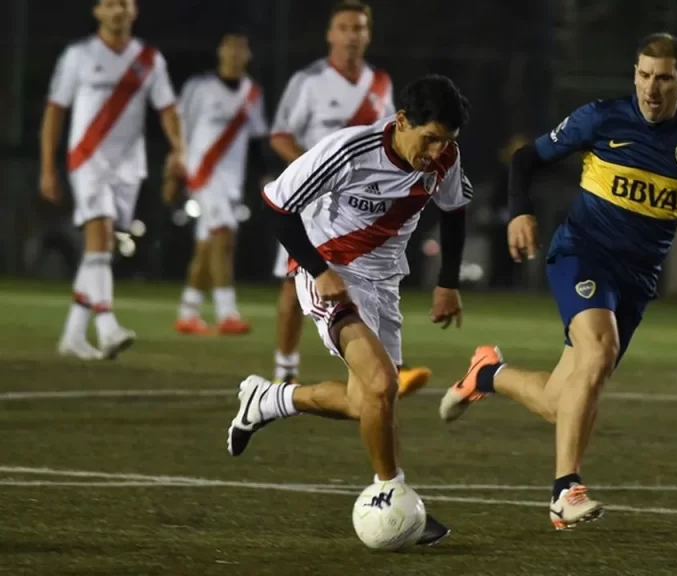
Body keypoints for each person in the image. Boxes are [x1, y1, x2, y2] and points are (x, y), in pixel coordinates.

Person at [439, 33, 677, 530]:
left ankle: (487, 375)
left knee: (561, 401)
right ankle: (565, 490)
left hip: (636, 278)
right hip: (582, 253)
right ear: (634, 74)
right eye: (644, 75)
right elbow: (525, 159)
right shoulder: (603, 117)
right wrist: (520, 213)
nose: (651, 88)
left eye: (664, 78)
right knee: (598, 351)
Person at [228, 74, 474, 546]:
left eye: (446, 142)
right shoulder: (348, 151)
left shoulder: (446, 160)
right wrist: (319, 269)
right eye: (429, 139)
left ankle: (270, 400)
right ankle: (392, 496)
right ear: (402, 121)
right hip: (331, 275)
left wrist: (448, 282)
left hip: (384, 285)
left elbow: (455, 210)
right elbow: (276, 206)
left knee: (367, 403)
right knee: (382, 384)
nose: (437, 152)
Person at [267, 0, 432, 395]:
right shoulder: (308, 82)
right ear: (330, 34)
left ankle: (387, 364)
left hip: (361, 204)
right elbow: (279, 134)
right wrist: (312, 170)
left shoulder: (380, 83)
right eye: (344, 27)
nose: (352, 35)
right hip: (311, 198)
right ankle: (284, 368)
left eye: (359, 28)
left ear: (368, 34)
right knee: (294, 284)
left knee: (376, 275)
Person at [41, 0, 182, 360]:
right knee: (100, 237)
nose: (117, 10)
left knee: (100, 250)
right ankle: (107, 327)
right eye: (109, 4)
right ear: (97, 12)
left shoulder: (149, 59)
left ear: (134, 11)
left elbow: (167, 110)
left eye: (123, 3)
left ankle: (73, 334)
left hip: (128, 167)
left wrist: (178, 151)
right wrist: (47, 166)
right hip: (87, 160)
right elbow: (55, 111)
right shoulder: (79, 55)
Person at [167, 29, 270, 335]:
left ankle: (188, 312)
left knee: (208, 246)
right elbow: (178, 127)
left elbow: (255, 140)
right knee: (224, 236)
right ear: (221, 52)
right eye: (231, 48)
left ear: (248, 55)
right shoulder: (199, 87)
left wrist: (263, 174)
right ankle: (227, 313)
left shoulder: (252, 93)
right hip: (202, 174)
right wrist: (173, 167)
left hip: (231, 182)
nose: (236, 54)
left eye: (242, 49)